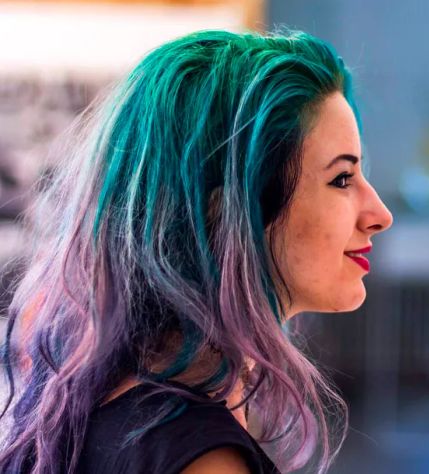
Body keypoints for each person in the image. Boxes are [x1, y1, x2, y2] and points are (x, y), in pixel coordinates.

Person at [0, 28, 392, 474]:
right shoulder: (202, 458)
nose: (379, 213)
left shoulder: (103, 402)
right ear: (226, 214)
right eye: (341, 179)